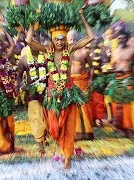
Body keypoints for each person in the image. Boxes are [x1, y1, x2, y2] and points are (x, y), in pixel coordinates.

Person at [25, 8, 94, 169]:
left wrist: (82, 17)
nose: (60, 43)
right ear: (52, 39)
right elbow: (29, 40)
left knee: (69, 126)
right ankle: (61, 147)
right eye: (57, 40)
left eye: (63, 40)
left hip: (68, 92)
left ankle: (68, 156)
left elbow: (91, 37)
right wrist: (32, 21)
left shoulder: (69, 50)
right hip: (51, 93)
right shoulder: (46, 49)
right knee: (55, 128)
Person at [17, 32, 48, 155]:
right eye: (32, 42)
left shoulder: (46, 57)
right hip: (32, 92)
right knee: (36, 118)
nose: (34, 44)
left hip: (46, 91)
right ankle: (40, 144)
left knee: (47, 117)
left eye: (36, 41)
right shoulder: (24, 59)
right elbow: (18, 77)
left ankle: (46, 136)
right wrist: (21, 85)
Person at [68, 30, 94, 140]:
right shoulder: (64, 52)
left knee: (83, 105)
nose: (72, 41)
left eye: (74, 39)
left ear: (78, 39)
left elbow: (91, 66)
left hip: (81, 81)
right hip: (69, 82)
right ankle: (73, 132)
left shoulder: (84, 52)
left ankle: (85, 132)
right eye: (70, 39)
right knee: (71, 106)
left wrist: (91, 79)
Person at [110, 31, 134, 137]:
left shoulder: (132, 50)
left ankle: (128, 127)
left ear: (127, 38)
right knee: (116, 103)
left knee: (127, 103)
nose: (121, 40)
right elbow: (113, 64)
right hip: (117, 78)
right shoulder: (115, 51)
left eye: (123, 37)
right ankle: (119, 127)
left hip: (128, 77)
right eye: (119, 38)